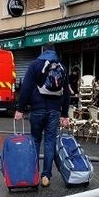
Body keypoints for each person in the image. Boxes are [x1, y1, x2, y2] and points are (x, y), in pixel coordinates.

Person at [15, 43, 70, 187]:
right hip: (54, 111)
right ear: (54, 52)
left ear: (42, 51)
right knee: (50, 142)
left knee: (35, 141)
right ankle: (46, 176)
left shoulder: (35, 65)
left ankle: (33, 175)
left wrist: (20, 109)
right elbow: (67, 92)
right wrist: (64, 114)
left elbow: (26, 87)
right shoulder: (62, 67)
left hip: (37, 110)